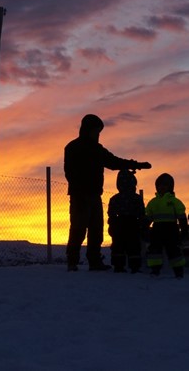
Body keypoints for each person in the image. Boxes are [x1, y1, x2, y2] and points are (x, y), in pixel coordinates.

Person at [64, 114, 151, 271]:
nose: (98, 134)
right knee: (78, 228)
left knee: (96, 229)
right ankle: (72, 261)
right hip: (79, 196)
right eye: (97, 130)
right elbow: (69, 173)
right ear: (88, 129)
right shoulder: (73, 148)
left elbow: (114, 162)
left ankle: (94, 261)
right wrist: (79, 191)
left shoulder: (97, 149)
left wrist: (136, 165)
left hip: (95, 195)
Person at [145, 173, 189, 278]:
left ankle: (178, 270)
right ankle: (155, 270)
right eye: (159, 185)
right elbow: (148, 217)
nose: (161, 187)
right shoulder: (152, 202)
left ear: (170, 187)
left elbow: (182, 218)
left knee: (174, 250)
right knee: (155, 250)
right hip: (156, 230)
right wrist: (144, 228)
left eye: (165, 185)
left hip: (171, 230)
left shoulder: (175, 202)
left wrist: (184, 231)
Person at [107, 170, 147, 273]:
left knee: (118, 246)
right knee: (134, 246)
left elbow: (111, 214)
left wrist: (111, 225)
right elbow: (142, 213)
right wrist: (142, 226)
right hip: (133, 224)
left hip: (119, 224)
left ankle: (118, 266)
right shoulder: (137, 198)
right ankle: (135, 266)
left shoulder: (114, 198)